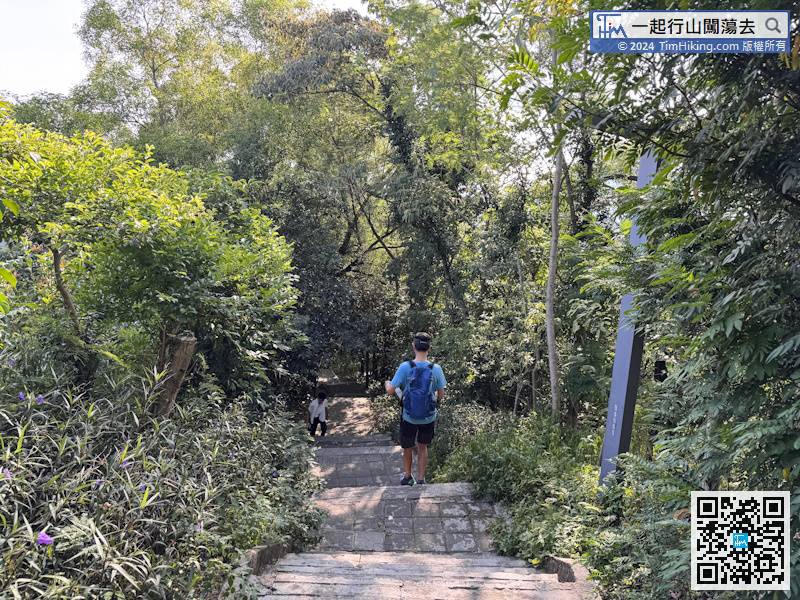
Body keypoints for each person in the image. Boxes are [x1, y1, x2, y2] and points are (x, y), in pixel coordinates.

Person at [384, 332, 446, 486]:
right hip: (428, 417)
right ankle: (421, 479)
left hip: (408, 416)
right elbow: (441, 395)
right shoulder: (436, 368)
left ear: (413, 346)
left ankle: (407, 477)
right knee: (423, 446)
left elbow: (391, 390)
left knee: (407, 447)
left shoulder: (405, 367)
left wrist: (387, 384)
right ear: (429, 348)